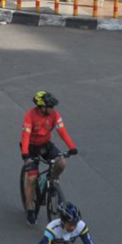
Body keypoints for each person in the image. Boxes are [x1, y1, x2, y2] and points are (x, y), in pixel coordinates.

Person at [20, 91, 78, 225]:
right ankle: (30, 208)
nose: (53, 109)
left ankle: (51, 181)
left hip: (46, 145)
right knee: (32, 178)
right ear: (42, 107)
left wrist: (72, 147)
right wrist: (25, 154)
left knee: (62, 163)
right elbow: (25, 136)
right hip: (31, 148)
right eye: (50, 106)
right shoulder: (30, 116)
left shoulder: (54, 115)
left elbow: (62, 131)